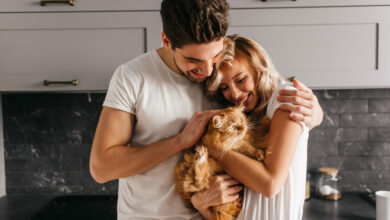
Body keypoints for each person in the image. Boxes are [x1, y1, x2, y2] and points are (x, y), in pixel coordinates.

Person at [89, 0, 323, 219]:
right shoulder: (132, 77)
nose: (208, 70)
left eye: (215, 55)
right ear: (167, 41)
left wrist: (313, 116)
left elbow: (260, 135)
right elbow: (101, 168)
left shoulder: (226, 80)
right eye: (193, 61)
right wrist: (180, 141)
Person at [191, 34, 311, 219]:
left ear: (259, 69)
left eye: (240, 80)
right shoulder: (245, 118)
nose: (235, 94)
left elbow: (269, 184)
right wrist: (200, 204)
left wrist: (211, 147)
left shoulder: (286, 97)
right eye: (224, 87)